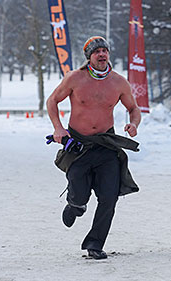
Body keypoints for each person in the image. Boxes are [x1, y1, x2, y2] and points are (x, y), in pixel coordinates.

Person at [46, 36, 142, 260]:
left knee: (109, 197)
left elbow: (134, 108)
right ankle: (75, 205)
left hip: (105, 145)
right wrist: (59, 128)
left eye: (104, 51)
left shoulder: (118, 82)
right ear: (89, 56)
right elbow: (52, 101)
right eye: (97, 51)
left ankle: (95, 244)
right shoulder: (74, 78)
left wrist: (134, 123)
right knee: (79, 194)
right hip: (78, 145)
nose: (102, 54)